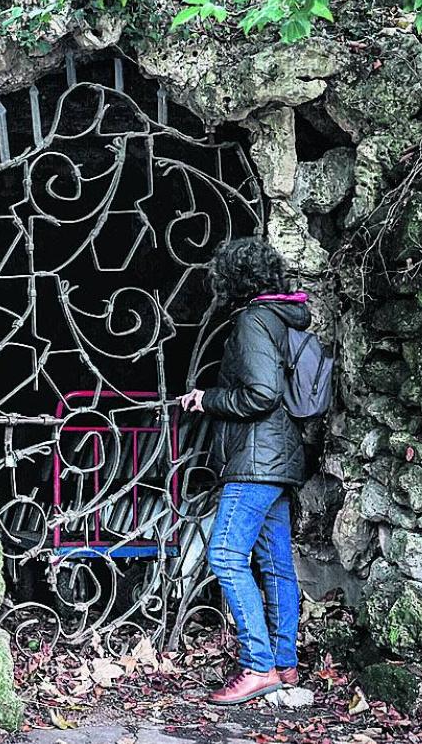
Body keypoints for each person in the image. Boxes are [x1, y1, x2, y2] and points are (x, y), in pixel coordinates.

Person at [178, 237, 310, 706]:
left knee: (226, 555)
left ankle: (258, 666)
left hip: (255, 461)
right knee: (275, 564)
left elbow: (260, 394)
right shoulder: (286, 318)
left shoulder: (254, 321)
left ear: (234, 278)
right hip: (282, 459)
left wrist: (206, 398)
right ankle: (285, 663)